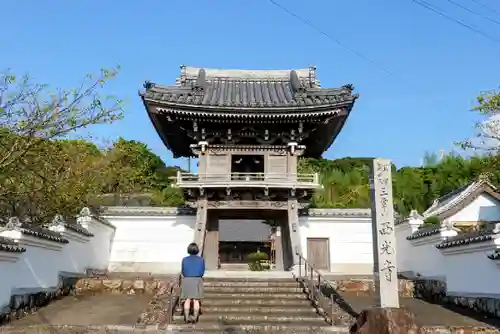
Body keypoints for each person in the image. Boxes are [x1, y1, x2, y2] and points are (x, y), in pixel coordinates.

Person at [180, 242, 205, 323]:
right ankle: (195, 318)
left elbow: (183, 271)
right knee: (196, 300)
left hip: (187, 280)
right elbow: (202, 272)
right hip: (197, 280)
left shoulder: (184, 259)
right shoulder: (201, 260)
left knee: (187, 299)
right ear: (197, 250)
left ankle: (186, 318)